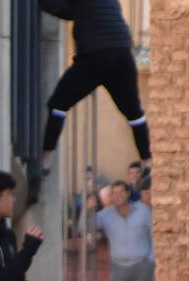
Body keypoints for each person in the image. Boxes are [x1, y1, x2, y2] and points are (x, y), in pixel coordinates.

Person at [35, 0, 152, 187]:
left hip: (93, 56)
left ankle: (46, 159)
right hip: (122, 53)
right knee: (134, 114)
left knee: (58, 105)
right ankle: (147, 162)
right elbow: (77, 12)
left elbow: (59, 6)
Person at [95, 179, 154, 281]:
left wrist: (151, 260)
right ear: (111, 197)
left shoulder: (143, 210)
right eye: (115, 193)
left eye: (121, 191)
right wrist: (87, 209)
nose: (119, 195)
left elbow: (154, 234)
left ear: (128, 193)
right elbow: (84, 227)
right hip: (118, 267)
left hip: (142, 265)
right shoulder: (105, 215)